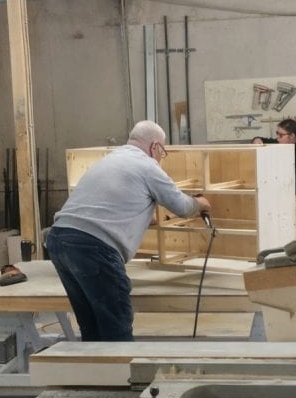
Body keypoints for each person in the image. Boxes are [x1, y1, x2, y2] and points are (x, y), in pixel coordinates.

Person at [45, 121, 210, 342]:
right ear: (154, 147)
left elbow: (114, 205)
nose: (160, 156)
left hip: (59, 240)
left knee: (91, 324)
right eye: (162, 151)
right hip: (94, 249)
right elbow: (183, 207)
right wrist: (201, 203)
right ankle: (120, 375)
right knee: (116, 327)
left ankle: (96, 374)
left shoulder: (110, 159)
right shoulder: (148, 166)